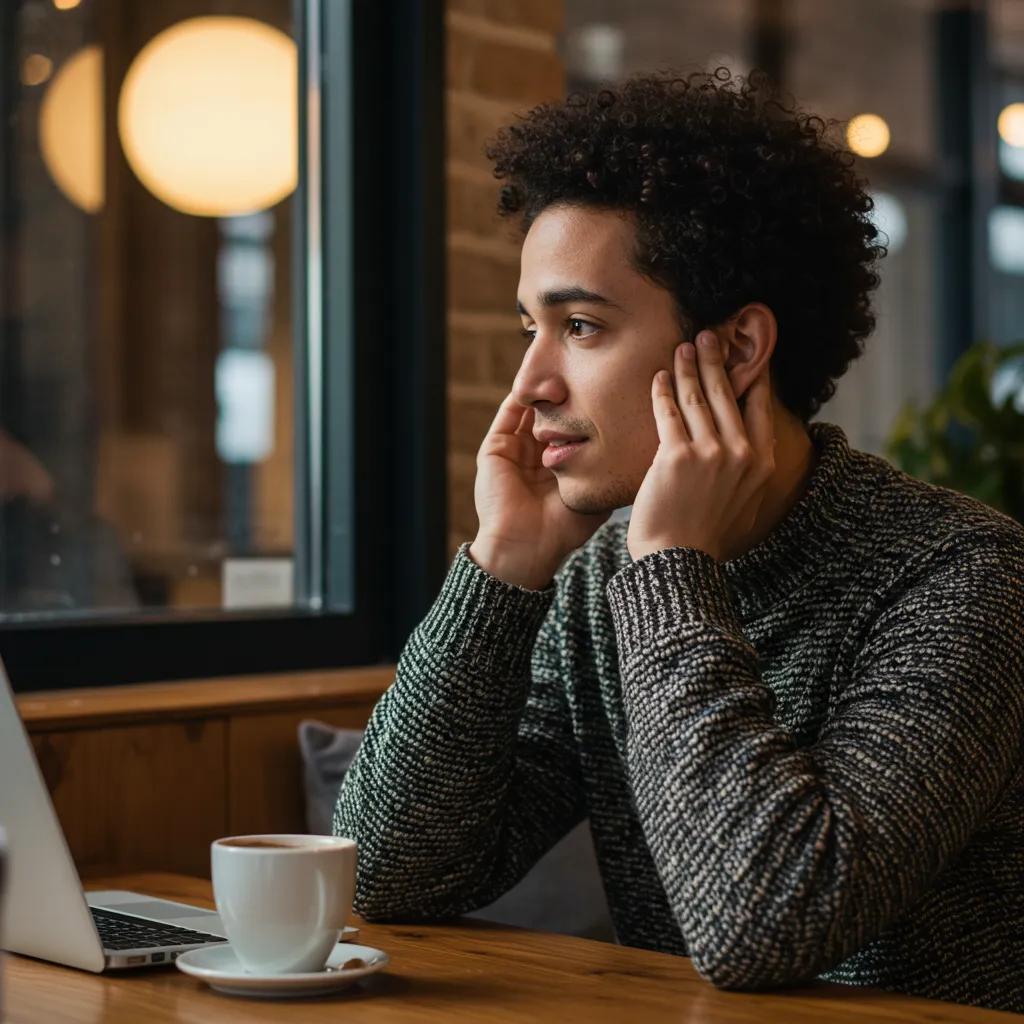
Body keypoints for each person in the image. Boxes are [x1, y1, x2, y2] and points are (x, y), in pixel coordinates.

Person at [333, 69, 1024, 1013]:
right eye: (531, 327)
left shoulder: (966, 579)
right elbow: (386, 871)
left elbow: (764, 925)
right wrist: (502, 567)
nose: (530, 382)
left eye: (580, 326)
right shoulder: (596, 581)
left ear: (736, 350)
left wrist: (669, 571)